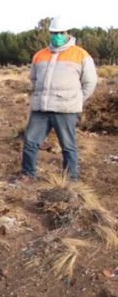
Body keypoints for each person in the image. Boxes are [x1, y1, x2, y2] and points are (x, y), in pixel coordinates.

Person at [19, 18, 97, 182]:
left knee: (68, 146)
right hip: (41, 108)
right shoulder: (40, 55)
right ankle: (28, 175)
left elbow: (90, 82)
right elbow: (33, 79)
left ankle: (70, 180)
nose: (57, 36)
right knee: (30, 142)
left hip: (66, 109)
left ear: (68, 33)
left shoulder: (80, 54)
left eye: (61, 33)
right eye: (54, 33)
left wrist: (76, 100)